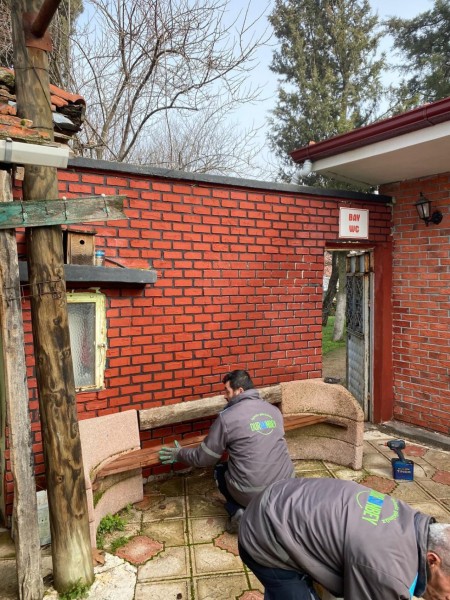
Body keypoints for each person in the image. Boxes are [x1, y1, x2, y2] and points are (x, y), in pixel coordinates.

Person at [238, 477, 450, 600]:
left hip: (284, 497)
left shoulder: (412, 521)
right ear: (432, 560)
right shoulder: (388, 572)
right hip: (263, 533)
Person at [159, 369, 294, 532]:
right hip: (286, 488)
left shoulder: (227, 417)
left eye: (227, 391)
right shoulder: (273, 410)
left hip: (252, 494)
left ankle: (237, 511)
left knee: (219, 469)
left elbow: (204, 458)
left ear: (240, 391)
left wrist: (179, 453)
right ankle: (277, 512)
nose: (225, 396)